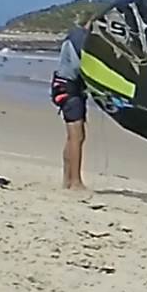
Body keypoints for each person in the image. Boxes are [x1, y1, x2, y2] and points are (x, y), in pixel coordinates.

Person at [51, 25, 91, 191]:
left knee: (73, 137)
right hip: (68, 89)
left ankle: (67, 180)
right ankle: (75, 182)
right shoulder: (80, 40)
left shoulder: (74, 37)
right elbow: (79, 67)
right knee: (77, 136)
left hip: (66, 87)